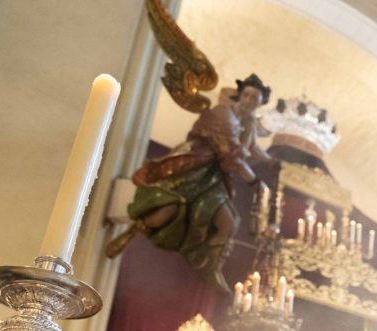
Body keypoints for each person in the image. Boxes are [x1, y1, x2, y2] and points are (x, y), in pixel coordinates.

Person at [107, 74, 274, 291]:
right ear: (240, 95)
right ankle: (130, 233)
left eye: (255, 98)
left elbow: (252, 147)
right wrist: (255, 183)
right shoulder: (223, 114)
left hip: (214, 177)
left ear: (261, 103)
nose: (249, 101)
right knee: (168, 208)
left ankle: (211, 267)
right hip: (193, 165)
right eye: (247, 95)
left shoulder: (249, 123)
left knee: (229, 224)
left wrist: (271, 160)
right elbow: (232, 155)